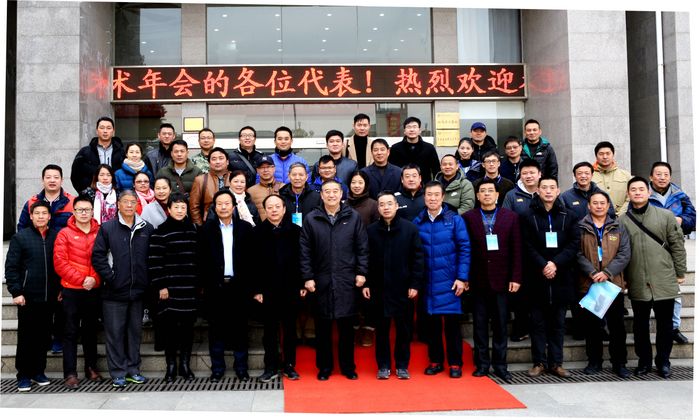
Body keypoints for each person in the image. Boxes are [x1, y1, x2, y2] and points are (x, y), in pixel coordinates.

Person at [300, 180, 369, 381]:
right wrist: (307, 277)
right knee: (322, 329)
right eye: (327, 192)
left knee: (346, 328)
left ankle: (348, 367)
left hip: (346, 279)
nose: (331, 195)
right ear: (321, 195)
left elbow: (362, 248)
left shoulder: (353, 217)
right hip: (320, 280)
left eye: (335, 191)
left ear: (341, 194)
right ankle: (324, 367)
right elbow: (305, 251)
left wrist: (361, 272)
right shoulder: (312, 218)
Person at [619, 177, 686, 379]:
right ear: (628, 194)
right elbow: (620, 252)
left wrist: (680, 272)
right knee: (640, 325)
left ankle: (663, 361)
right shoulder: (622, 220)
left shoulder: (665, 216)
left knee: (665, 325)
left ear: (649, 193)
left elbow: (677, 245)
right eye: (633, 189)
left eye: (641, 189)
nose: (638, 192)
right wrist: (623, 278)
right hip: (637, 279)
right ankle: (644, 361)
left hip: (663, 277)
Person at [91, 190, 154, 388]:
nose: (129, 205)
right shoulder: (108, 228)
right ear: (118, 204)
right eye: (125, 202)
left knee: (134, 333)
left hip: (138, 291)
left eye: (132, 202)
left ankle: (133, 370)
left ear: (137, 204)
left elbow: (151, 257)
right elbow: (98, 256)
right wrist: (112, 278)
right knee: (115, 334)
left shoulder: (146, 228)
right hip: (114, 292)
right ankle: (118, 372)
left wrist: (145, 281)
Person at [462, 178, 522, 382]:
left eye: (490, 190)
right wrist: (465, 277)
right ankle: (482, 365)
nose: (486, 194)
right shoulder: (468, 218)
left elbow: (517, 249)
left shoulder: (510, 217)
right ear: (477, 195)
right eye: (483, 191)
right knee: (479, 326)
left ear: (497, 195)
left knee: (500, 325)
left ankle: (500, 365)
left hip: (502, 280)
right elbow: (465, 249)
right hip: (477, 280)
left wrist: (515, 277)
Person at [521, 177, 579, 379]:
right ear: (537, 190)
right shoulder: (528, 216)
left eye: (551, 187)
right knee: (537, 323)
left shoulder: (569, 215)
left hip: (561, 276)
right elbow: (526, 244)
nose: (548, 191)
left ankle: (556, 363)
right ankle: (539, 362)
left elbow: (574, 243)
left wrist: (555, 263)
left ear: (558, 190)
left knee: (558, 324)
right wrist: (543, 264)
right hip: (536, 276)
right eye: (544, 187)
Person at [363, 191, 424, 380]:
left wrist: (414, 283)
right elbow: (365, 258)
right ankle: (383, 366)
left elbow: (418, 258)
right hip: (379, 288)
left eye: (390, 203)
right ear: (378, 208)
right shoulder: (371, 230)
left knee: (404, 330)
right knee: (381, 330)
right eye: (382, 204)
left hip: (403, 288)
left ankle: (402, 365)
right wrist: (366, 282)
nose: (386, 207)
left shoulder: (409, 229)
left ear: (397, 206)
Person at [414, 181, 470, 378]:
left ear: (443, 197)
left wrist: (462, 277)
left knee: (453, 326)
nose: (432, 198)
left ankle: (455, 364)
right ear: (424, 197)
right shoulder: (418, 221)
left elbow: (465, 249)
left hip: (450, 281)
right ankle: (435, 361)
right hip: (428, 281)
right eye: (429, 195)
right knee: (432, 326)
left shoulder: (454, 220)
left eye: (436, 195)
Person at [199, 190, 254, 382]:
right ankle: (217, 369)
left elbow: (252, 260)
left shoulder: (245, 228)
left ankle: (241, 368)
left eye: (227, 203)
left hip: (239, 287)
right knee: (216, 329)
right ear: (214, 207)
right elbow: (201, 260)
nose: (223, 207)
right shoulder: (206, 230)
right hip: (215, 287)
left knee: (240, 328)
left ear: (234, 206)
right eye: (219, 204)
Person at [576, 190, 632, 378]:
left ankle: (619, 363)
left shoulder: (618, 226)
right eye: (595, 203)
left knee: (617, 327)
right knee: (592, 326)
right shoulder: (580, 227)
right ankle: (594, 361)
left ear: (608, 206)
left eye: (602, 203)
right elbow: (577, 253)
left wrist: (607, 273)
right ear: (588, 205)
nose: (599, 206)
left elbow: (624, 253)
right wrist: (592, 272)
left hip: (612, 284)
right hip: (589, 283)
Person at [5, 201, 60, 392]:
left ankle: (38, 371)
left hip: (50, 296)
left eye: (44, 213)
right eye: (37, 213)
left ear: (49, 216)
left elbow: (60, 265)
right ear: (31, 216)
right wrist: (16, 292)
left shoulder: (56, 237)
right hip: (27, 297)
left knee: (44, 336)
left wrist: (60, 289)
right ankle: (23, 375)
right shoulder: (20, 238)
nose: (41, 216)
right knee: (27, 337)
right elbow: (11, 267)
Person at [147, 193, 200, 383]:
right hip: (169, 289)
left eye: (183, 207)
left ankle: (185, 365)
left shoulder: (194, 230)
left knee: (187, 328)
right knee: (169, 329)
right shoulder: (160, 232)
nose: (180, 210)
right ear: (169, 209)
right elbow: (154, 261)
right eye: (176, 207)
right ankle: (171, 366)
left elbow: (200, 260)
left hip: (189, 288)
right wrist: (161, 286)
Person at [53, 195, 103, 388]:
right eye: (80, 210)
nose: (83, 213)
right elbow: (60, 263)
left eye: (87, 210)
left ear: (92, 211)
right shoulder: (64, 234)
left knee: (91, 331)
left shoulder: (100, 232)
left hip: (93, 289)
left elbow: (104, 259)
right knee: (70, 332)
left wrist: (95, 278)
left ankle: (91, 368)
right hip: (71, 290)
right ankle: (70, 373)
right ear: (73, 211)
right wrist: (82, 280)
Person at [252, 194, 303, 382]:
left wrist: (302, 283)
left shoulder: (296, 231)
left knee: (290, 329)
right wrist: (256, 289)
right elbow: (251, 264)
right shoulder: (257, 232)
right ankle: (270, 367)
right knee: (269, 331)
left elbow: (302, 259)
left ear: (284, 209)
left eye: (277, 207)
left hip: (290, 288)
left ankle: (289, 365)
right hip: (267, 290)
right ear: (265, 210)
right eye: (270, 207)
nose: (273, 210)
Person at [648, 161, 696, 344]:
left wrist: (681, 220)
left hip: (672, 248)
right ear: (651, 177)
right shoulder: (644, 194)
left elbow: (693, 219)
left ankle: (674, 328)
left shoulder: (679, 195)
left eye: (665, 174)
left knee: (674, 291)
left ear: (670, 176)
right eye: (658, 174)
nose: (662, 178)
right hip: (649, 247)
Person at [502, 158, 542, 343]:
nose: (528, 176)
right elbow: (505, 220)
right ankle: (521, 328)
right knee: (520, 294)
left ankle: (540, 330)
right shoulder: (512, 195)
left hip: (543, 252)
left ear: (539, 174)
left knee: (540, 293)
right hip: (520, 250)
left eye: (532, 172)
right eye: (525, 173)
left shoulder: (545, 191)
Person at [71, 116, 126, 193]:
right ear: (97, 131)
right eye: (102, 128)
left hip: (116, 194)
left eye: (108, 128)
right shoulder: (85, 152)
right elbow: (75, 176)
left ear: (113, 131)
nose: (105, 131)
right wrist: (85, 193)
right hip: (92, 194)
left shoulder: (122, 152)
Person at [18, 164, 75, 232]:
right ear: (43, 180)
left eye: (56, 177)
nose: (52, 180)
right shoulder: (31, 203)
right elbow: (22, 228)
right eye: (48, 177)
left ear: (61, 180)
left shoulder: (73, 202)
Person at [189, 147, 231, 226]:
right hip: (209, 223)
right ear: (209, 162)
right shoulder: (200, 180)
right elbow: (194, 207)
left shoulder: (235, 178)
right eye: (214, 159)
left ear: (227, 161)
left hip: (233, 222)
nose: (217, 162)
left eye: (221, 158)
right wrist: (200, 226)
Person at [389, 117, 440, 181]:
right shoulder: (395, 148)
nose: (412, 130)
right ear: (404, 131)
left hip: (424, 185)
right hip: (401, 184)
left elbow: (436, 170)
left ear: (419, 130)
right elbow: (391, 170)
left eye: (414, 127)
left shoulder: (429, 148)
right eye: (409, 127)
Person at [592, 141, 631, 215]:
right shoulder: (590, 176)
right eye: (601, 154)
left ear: (613, 155)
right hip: (597, 218)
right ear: (596, 156)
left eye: (608, 153)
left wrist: (620, 215)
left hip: (622, 217)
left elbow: (630, 197)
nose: (605, 157)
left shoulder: (625, 175)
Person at [278, 162, 321, 227]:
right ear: (289, 176)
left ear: (306, 177)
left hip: (309, 232)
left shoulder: (316, 197)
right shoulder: (281, 196)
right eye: (294, 175)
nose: (297, 178)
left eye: (301, 175)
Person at [248, 154, 284, 221]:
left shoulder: (284, 188)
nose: (265, 170)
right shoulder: (251, 191)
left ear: (274, 168)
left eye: (268, 167)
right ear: (257, 170)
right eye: (262, 167)